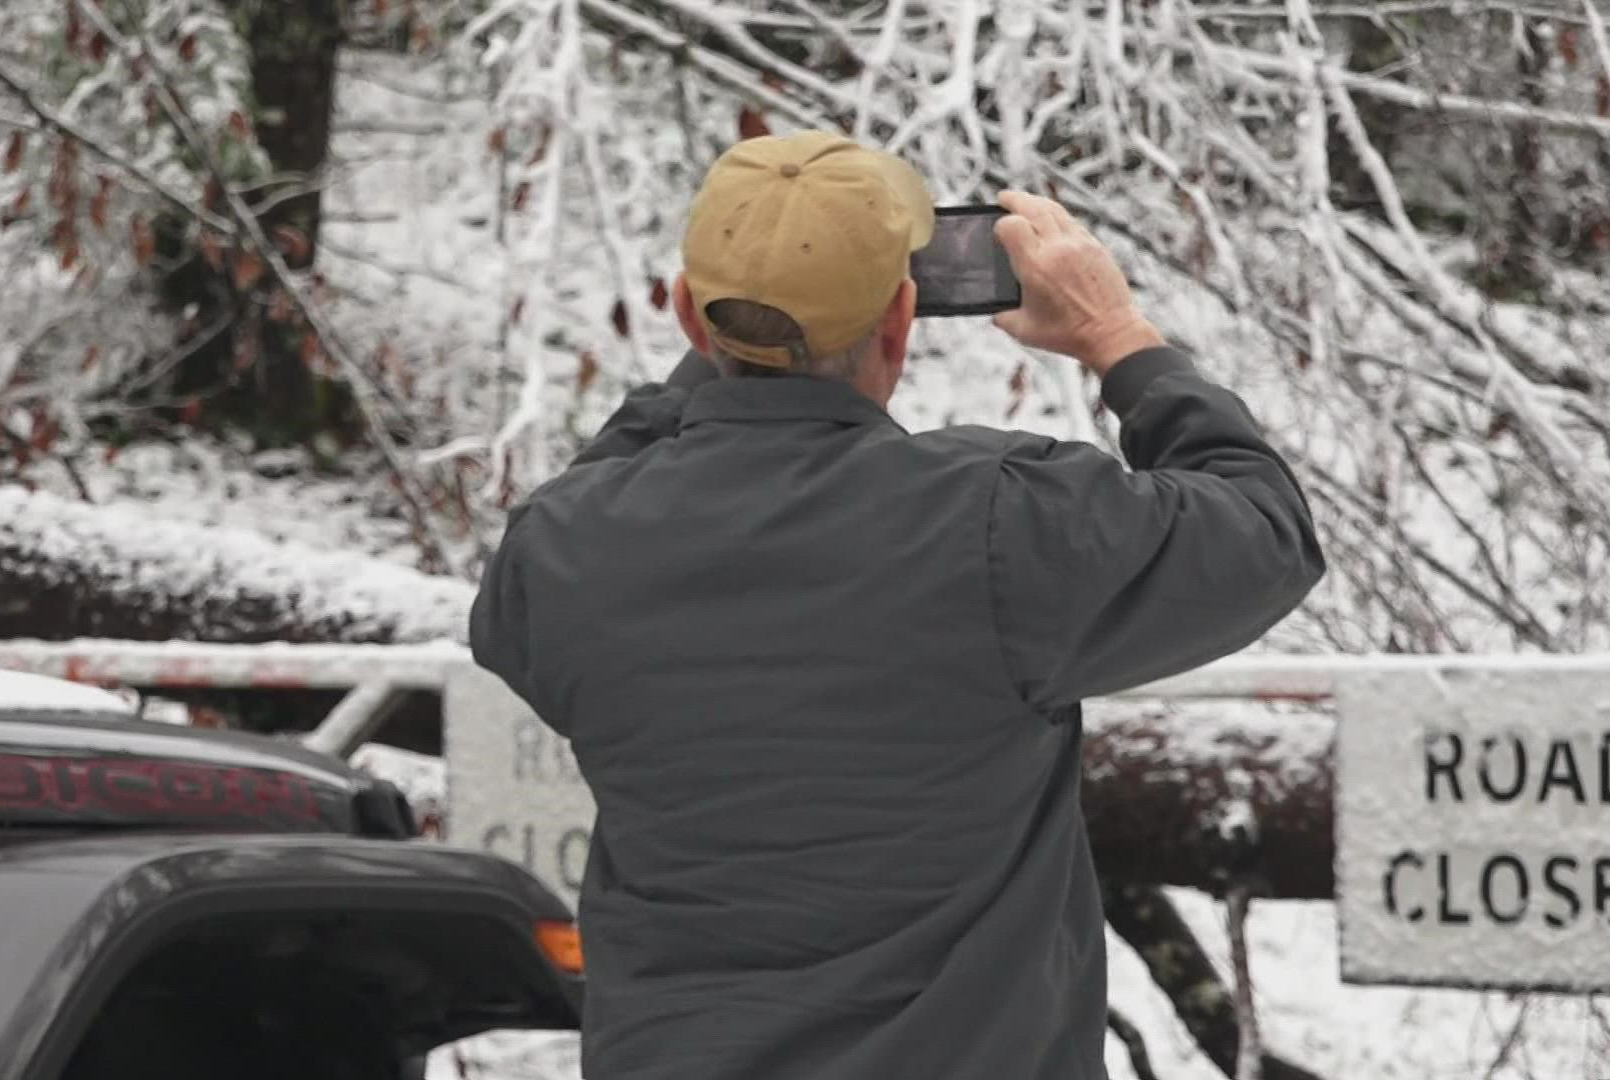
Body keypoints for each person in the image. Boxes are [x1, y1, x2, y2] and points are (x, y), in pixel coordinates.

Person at [470, 131, 1325, 1080]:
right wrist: (1117, 336)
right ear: (900, 323)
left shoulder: (568, 551)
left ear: (683, 314)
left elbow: (554, 551)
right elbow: (1267, 534)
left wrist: (723, 356)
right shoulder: (1001, 521)